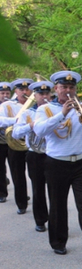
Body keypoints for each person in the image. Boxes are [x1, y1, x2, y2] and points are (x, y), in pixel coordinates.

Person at [33, 71, 82, 259]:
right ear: (56, 88)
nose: (68, 90)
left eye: (71, 87)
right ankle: (58, 242)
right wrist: (62, 114)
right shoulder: (45, 109)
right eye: (64, 87)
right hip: (57, 163)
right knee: (58, 205)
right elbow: (40, 131)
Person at [11, 80, 51, 231]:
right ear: (35, 96)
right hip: (35, 154)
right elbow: (15, 133)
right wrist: (30, 126)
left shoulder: (55, 111)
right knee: (38, 188)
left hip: (53, 154)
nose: (44, 96)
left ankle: (56, 220)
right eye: (41, 94)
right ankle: (40, 220)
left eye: (47, 93)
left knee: (56, 190)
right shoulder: (27, 113)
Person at [0, 78, 33, 213]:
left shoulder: (37, 105)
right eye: (21, 89)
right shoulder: (7, 105)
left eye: (27, 89)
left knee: (37, 176)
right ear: (16, 91)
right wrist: (16, 120)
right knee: (18, 174)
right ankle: (21, 203)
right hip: (15, 143)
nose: (25, 92)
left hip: (33, 145)